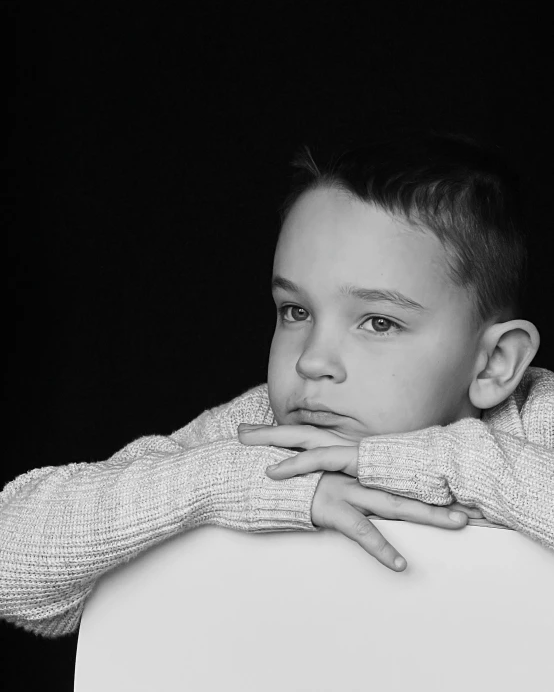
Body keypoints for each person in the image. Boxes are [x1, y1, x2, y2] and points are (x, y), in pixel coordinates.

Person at [1, 130, 552, 639]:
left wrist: (418, 461)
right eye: (295, 311)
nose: (313, 360)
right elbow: (10, 557)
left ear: (495, 364)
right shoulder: (262, 438)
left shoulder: (533, 418)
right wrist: (231, 484)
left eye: (378, 322)